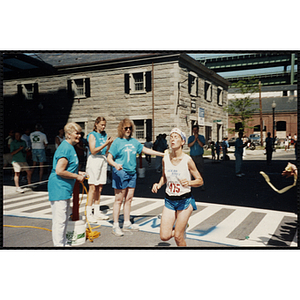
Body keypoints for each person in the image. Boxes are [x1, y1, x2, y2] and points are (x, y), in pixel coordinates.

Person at [107, 118, 165, 237]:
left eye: (130, 128)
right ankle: (116, 225)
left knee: (129, 199)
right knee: (118, 200)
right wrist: (115, 164)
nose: (128, 130)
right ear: (121, 129)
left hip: (132, 173)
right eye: (126, 128)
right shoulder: (117, 142)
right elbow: (109, 158)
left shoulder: (134, 142)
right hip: (120, 173)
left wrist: (162, 154)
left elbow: (146, 150)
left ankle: (127, 222)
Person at [152, 128, 203, 247]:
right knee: (164, 236)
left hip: (185, 201)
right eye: (171, 137)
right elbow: (164, 177)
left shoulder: (187, 160)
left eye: (176, 137)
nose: (173, 139)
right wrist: (158, 185)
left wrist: (189, 183)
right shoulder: (166, 159)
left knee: (178, 237)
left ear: (182, 142)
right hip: (169, 201)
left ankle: (181, 228)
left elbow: (200, 180)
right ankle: (181, 227)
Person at [48, 122, 86, 247]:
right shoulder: (65, 148)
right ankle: (59, 246)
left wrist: (78, 172)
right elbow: (59, 170)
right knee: (60, 220)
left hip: (64, 188)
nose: (79, 136)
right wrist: (77, 176)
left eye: (80, 133)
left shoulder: (70, 147)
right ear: (68, 134)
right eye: (77, 133)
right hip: (59, 187)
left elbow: (68, 168)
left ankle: (63, 243)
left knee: (63, 219)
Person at [85, 117, 113, 223]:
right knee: (92, 186)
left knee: (100, 187)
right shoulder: (92, 135)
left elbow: (105, 151)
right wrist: (106, 143)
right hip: (94, 160)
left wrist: (109, 144)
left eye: (104, 125)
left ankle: (97, 211)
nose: (103, 127)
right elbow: (93, 150)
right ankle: (89, 213)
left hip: (102, 159)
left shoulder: (104, 134)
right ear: (96, 124)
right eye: (101, 124)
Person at [188, 125, 205, 190]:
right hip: (192, 156)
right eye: (194, 130)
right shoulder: (190, 138)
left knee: (200, 170)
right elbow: (189, 145)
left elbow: (202, 145)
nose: (195, 131)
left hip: (199, 156)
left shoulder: (201, 137)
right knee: (191, 171)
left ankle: (201, 184)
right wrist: (194, 140)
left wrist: (197, 139)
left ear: (198, 130)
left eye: (196, 130)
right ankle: (191, 184)